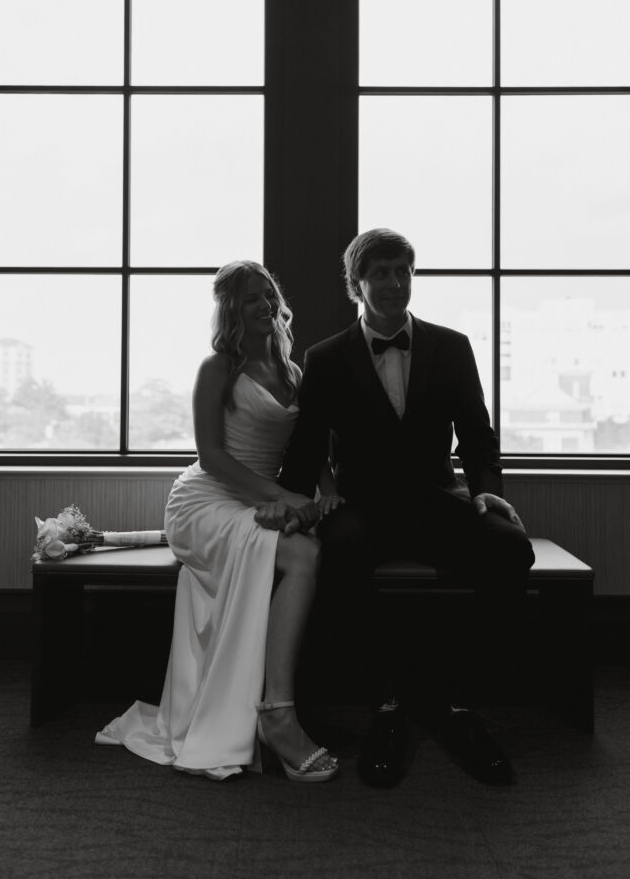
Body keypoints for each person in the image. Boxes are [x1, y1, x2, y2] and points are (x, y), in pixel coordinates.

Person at [280, 228, 535, 786]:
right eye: (381, 273)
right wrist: (294, 504)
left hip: (434, 499)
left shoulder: (453, 346)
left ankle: (458, 704)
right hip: (363, 506)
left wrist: (487, 487)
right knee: (337, 554)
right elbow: (303, 452)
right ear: (358, 284)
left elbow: (477, 432)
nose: (395, 283)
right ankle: (385, 706)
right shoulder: (324, 358)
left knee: (511, 550)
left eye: (403, 272)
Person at [95, 261, 339, 782]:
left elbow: (311, 442)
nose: (265, 305)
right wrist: (283, 496)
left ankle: (273, 707)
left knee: (311, 547)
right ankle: (279, 715)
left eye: (269, 294)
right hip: (205, 501)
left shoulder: (293, 372)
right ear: (232, 309)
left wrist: (325, 490)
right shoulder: (218, 368)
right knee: (306, 554)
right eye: (251, 298)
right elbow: (211, 457)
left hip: (256, 499)